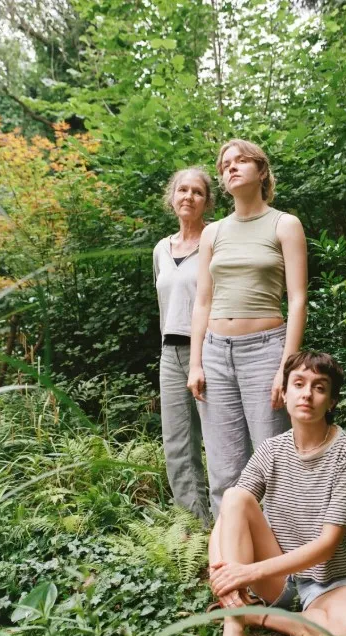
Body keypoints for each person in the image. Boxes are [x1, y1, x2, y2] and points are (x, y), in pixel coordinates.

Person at [208, 351, 346, 636]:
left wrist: (244, 573)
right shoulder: (271, 450)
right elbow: (229, 515)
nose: (308, 394)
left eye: (320, 387)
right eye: (298, 384)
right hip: (279, 577)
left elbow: (326, 546)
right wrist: (223, 577)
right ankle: (234, 630)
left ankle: (254, 614)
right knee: (234, 497)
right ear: (284, 393)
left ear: (332, 401)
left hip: (334, 581)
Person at [188, 139, 308, 517]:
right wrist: (195, 363)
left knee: (274, 461)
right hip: (215, 354)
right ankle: (232, 566)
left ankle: (286, 571)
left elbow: (298, 299)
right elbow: (202, 302)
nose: (232, 168)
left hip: (266, 351)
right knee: (224, 470)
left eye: (241, 161)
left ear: (261, 171)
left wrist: (286, 370)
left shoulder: (284, 224)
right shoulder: (212, 233)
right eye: (225, 165)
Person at [153, 167, 213, 524]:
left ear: (207, 201)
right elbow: (166, 304)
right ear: (172, 197)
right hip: (170, 353)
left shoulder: (216, 239)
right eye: (182, 190)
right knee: (177, 446)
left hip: (210, 350)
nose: (188, 196)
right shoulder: (162, 248)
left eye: (197, 191)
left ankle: (236, 529)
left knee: (222, 442)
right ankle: (198, 527)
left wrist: (204, 357)